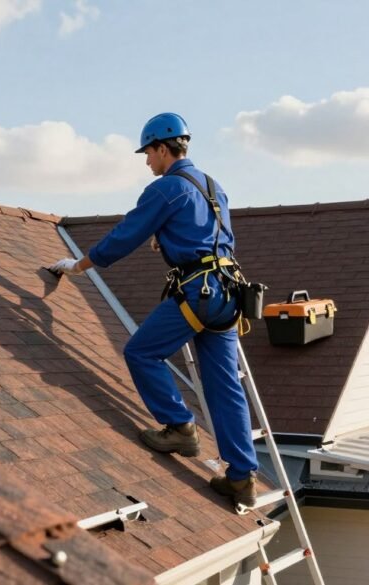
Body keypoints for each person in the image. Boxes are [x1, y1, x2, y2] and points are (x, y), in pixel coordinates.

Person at [49, 113, 258, 509]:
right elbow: (212, 238)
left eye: (148, 154)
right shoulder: (214, 186)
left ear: (163, 149)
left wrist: (79, 265)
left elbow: (126, 234)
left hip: (199, 292)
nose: (147, 162)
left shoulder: (166, 189)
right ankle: (240, 476)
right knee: (224, 385)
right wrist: (170, 240)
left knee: (141, 351)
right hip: (227, 292)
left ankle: (180, 427)